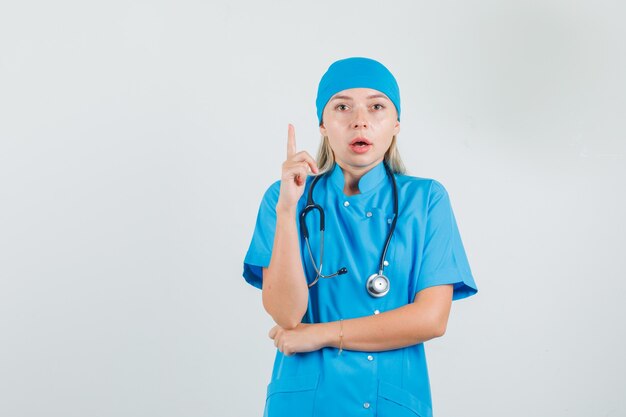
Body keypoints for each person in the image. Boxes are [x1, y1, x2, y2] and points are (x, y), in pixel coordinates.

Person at [242, 56, 478, 417]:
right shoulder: (284, 197)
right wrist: (288, 211)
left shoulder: (427, 200)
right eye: (342, 107)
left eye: (376, 106)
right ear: (322, 123)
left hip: (389, 403)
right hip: (305, 402)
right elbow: (287, 316)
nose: (359, 120)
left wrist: (320, 334)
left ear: (396, 123)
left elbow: (431, 319)